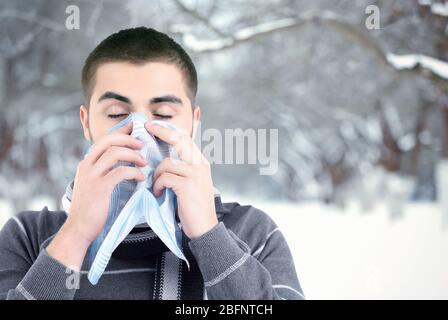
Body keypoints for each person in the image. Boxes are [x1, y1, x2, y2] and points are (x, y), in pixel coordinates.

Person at [0, 27, 304, 300]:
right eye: (118, 114)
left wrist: (209, 236)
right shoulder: (28, 237)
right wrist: (76, 234)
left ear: (194, 124)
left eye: (163, 115)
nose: (141, 132)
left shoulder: (252, 233)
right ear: (86, 123)